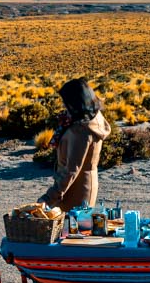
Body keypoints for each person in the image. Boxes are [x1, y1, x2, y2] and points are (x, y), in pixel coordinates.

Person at [39, 78, 112, 212]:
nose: (64, 106)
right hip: (78, 186)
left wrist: (49, 198)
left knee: (72, 230)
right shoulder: (91, 119)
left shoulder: (81, 131)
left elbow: (72, 169)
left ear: (75, 102)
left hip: (76, 192)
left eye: (66, 102)